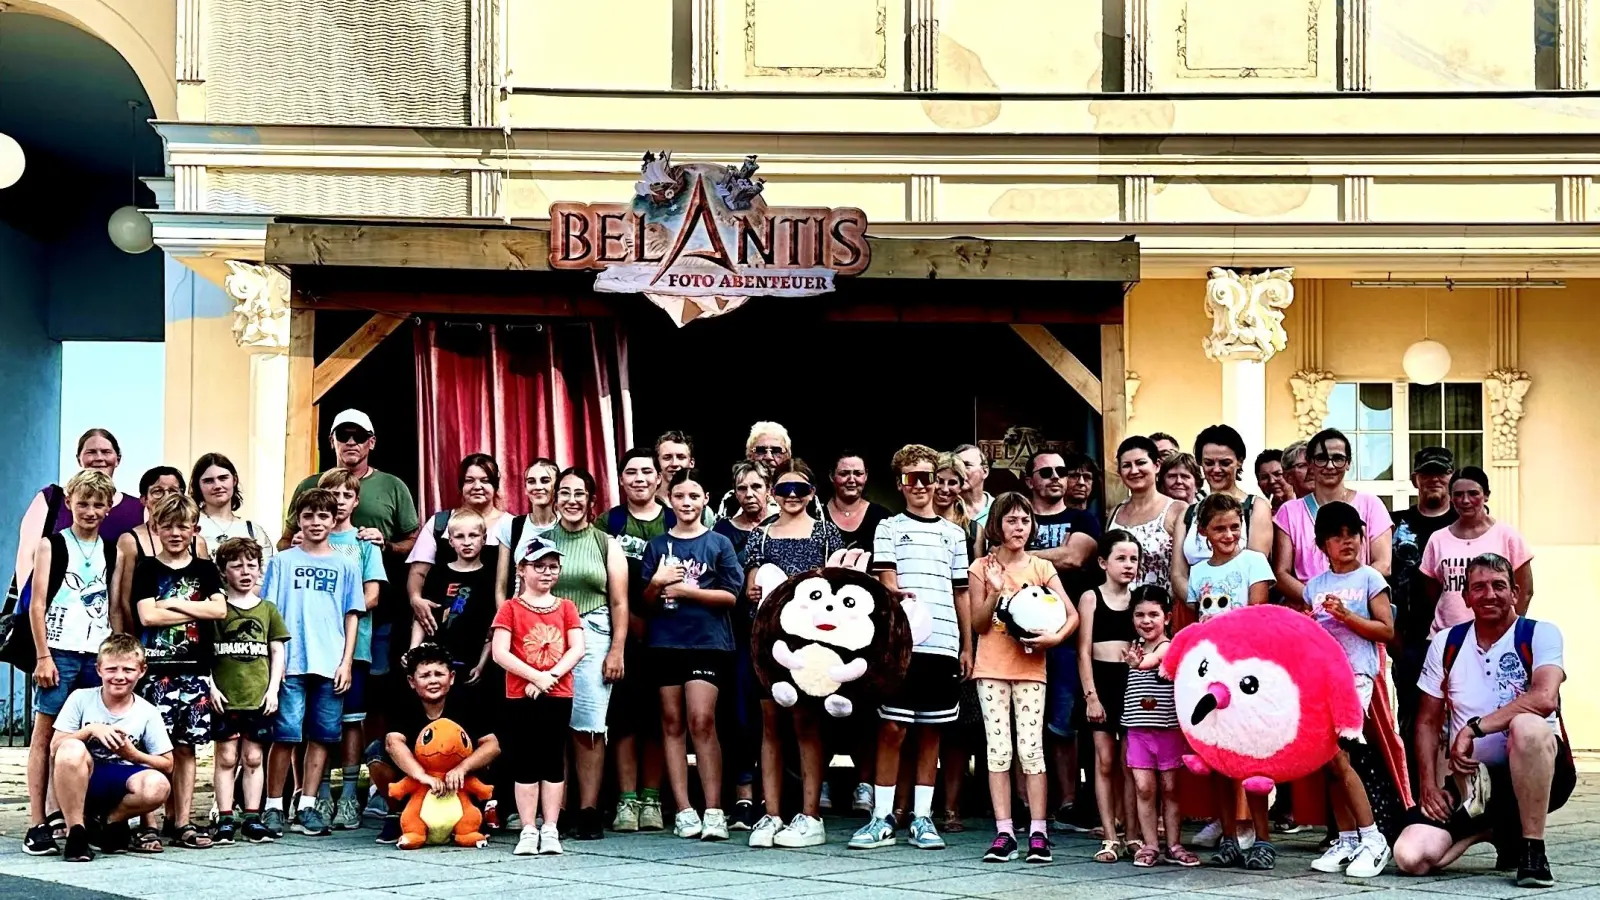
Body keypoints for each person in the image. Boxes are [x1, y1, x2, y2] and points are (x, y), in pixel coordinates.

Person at [1394, 553, 1569, 889]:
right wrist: (1429, 786)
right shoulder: (1447, 642)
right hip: (1472, 786)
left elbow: (1544, 699)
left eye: (1499, 585)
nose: (1489, 594)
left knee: (1527, 725)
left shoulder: (1540, 634)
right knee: (1411, 857)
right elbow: (1428, 722)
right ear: (1466, 597)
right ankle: (1495, 827)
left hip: (1544, 773)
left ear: (1515, 592)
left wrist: (1473, 728)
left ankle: (1532, 850)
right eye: (1479, 587)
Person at [851, 444, 971, 853]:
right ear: (900, 483)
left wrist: (966, 645)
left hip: (943, 645)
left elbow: (961, 595)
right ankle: (881, 818)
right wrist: (894, 596)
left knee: (931, 731)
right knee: (892, 728)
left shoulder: (954, 534)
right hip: (901, 647)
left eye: (926, 477)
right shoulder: (887, 527)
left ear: (937, 480)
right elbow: (886, 579)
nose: (920, 485)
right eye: (910, 478)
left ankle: (922, 817)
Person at [969, 492, 1076, 865]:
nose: (1019, 528)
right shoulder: (982, 566)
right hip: (992, 668)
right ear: (996, 525)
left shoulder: (1040, 568)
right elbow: (979, 623)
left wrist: (1055, 638)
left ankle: (1038, 832)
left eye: (1025, 521)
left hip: (1031, 669)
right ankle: (1003, 831)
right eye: (1012, 521)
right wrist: (996, 589)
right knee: (998, 751)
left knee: (1031, 750)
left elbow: (1071, 614)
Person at [742, 460, 843, 848]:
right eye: (784, 490)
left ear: (812, 493)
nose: (792, 497)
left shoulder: (826, 533)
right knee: (770, 726)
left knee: (806, 725)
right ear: (772, 493)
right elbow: (751, 584)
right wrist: (751, 590)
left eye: (800, 489)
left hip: (811, 644)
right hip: (768, 642)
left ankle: (811, 814)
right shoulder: (761, 536)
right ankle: (771, 815)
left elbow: (838, 586)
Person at [23, 469, 122, 856]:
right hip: (59, 651)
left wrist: (114, 652)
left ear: (109, 507)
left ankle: (70, 815)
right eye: (83, 502)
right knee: (45, 735)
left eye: (99, 504)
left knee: (84, 737)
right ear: (69, 503)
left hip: (94, 653)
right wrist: (43, 654)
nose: (91, 510)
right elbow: (37, 604)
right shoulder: (52, 545)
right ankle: (37, 821)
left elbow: (113, 604)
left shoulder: (111, 548)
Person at [642, 468, 743, 841]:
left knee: (702, 720)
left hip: (707, 642)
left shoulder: (718, 544)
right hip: (665, 643)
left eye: (693, 497)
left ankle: (714, 808)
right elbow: (646, 602)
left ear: (705, 500)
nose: (686, 503)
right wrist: (657, 583)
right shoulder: (657, 547)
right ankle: (684, 809)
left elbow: (731, 596)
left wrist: (686, 591)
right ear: (669, 500)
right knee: (671, 723)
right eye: (680, 496)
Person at [259, 489, 365, 839]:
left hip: (329, 661)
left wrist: (346, 662)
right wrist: (273, 663)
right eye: (308, 516)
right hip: (290, 662)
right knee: (286, 734)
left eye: (323, 516)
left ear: (334, 520)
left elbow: (352, 616)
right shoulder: (281, 562)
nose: (316, 522)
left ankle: (308, 804)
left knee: (322, 736)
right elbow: (270, 614)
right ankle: (274, 805)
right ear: (298, 521)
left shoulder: (347, 564)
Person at [130, 492, 227, 850]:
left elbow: (220, 611)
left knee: (187, 748)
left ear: (194, 529)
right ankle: (149, 821)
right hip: (157, 671)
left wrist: (170, 602)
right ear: (155, 528)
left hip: (195, 670)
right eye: (167, 526)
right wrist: (194, 607)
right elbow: (147, 616)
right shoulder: (147, 569)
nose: (175, 533)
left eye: (182, 526)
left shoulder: (204, 569)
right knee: (153, 746)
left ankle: (182, 820)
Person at [1185, 492, 1276, 868]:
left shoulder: (1254, 561)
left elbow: (1258, 613)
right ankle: (1228, 836)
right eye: (1219, 528)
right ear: (1204, 531)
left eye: (1235, 526)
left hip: (1247, 674)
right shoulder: (1199, 572)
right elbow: (1196, 620)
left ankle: (1262, 838)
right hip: (1213, 675)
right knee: (1219, 760)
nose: (1228, 534)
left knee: (1252, 762)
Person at [1306, 502, 1396, 878]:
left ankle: (1373, 839)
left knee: (1342, 758)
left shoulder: (1371, 579)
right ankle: (1345, 839)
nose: (1347, 542)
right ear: (1322, 544)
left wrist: (1347, 616)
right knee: (1328, 761)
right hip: (1321, 679)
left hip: (1356, 678)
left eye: (1353, 534)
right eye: (1337, 535)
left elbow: (1386, 631)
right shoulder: (1314, 585)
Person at [539, 467, 628, 840]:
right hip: (547, 635)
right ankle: (554, 811)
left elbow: (620, 602)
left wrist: (617, 650)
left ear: (592, 501)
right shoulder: (541, 542)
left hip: (594, 633)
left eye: (580, 494)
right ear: (555, 498)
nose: (572, 500)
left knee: (588, 725)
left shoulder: (606, 543)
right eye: (565, 493)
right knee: (552, 724)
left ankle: (589, 809)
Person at [491, 539, 584, 856]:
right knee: (526, 758)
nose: (546, 573)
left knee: (553, 758)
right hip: (520, 694)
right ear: (522, 569)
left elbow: (577, 648)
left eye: (552, 567)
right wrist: (535, 677)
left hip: (558, 694)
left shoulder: (566, 607)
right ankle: (529, 827)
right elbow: (500, 652)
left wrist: (550, 677)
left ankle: (551, 827)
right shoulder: (511, 608)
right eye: (538, 566)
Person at [1022, 450, 1098, 834]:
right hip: (1018, 640)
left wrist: (1020, 556)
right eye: (1046, 472)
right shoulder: (1019, 515)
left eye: (1061, 472)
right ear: (1029, 480)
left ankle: (1067, 803)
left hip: (1068, 637)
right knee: (1023, 722)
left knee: (1063, 723)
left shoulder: (1082, 517)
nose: (1056, 478)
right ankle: (1025, 805)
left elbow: (1073, 557)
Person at [48, 634, 174, 862]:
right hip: (85, 777)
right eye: (111, 669)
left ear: (142, 671)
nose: (119, 676)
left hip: (122, 781)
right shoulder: (81, 699)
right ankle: (76, 832)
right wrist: (91, 730)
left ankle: (112, 821)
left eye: (128, 670)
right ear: (98, 670)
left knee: (158, 785)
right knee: (70, 749)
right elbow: (55, 748)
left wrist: (132, 754)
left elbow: (167, 763)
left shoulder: (147, 711)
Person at [367, 642, 501, 846]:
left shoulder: (467, 700)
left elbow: (493, 745)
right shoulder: (403, 700)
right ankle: (398, 813)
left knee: (487, 756)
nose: (433, 681)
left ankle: (470, 816)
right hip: (417, 777)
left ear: (452, 677)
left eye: (439, 674)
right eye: (425, 675)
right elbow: (393, 742)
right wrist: (422, 776)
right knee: (375, 753)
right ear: (412, 681)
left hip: (459, 779)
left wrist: (462, 768)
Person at [600, 448, 670, 834]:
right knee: (624, 719)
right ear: (621, 480)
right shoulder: (609, 521)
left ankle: (652, 799)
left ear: (659, 478)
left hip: (668, 634)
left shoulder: (675, 517)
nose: (640, 478)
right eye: (632, 472)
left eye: (647, 471)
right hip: (621, 634)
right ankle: (626, 801)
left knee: (659, 720)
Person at [317, 467, 388, 831]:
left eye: (346, 495)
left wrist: (336, 606)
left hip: (354, 645)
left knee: (351, 720)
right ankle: (319, 793)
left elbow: (373, 594)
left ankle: (348, 794)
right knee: (319, 720)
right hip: (315, 648)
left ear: (356, 500)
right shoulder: (307, 543)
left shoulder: (364, 544)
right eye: (332, 494)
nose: (339, 501)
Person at [207, 537, 289, 845]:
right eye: (236, 565)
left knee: (254, 757)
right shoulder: (217, 610)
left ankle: (253, 817)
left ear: (260, 570)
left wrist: (273, 690)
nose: (245, 571)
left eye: (251, 565)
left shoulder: (267, 609)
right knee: (226, 757)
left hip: (258, 697)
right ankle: (226, 817)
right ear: (223, 571)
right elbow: (206, 652)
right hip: (225, 697)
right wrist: (210, 686)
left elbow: (277, 651)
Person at [11, 429, 143, 614]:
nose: (99, 458)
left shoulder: (136, 508)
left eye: (106, 452)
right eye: (90, 452)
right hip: (54, 612)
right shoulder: (52, 499)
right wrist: (34, 608)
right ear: (79, 459)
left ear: (118, 459)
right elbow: (27, 554)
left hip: (108, 615)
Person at [1391, 447, 1458, 787]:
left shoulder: (1464, 523)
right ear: (1415, 478)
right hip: (1411, 639)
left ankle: (1458, 794)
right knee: (1413, 718)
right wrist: (1394, 639)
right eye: (1427, 473)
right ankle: (1415, 794)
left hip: (1459, 639)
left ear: (1450, 478)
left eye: (1441, 473)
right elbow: (1383, 582)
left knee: (1460, 717)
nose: (1434, 479)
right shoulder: (1397, 524)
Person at [1121, 586, 1199, 868]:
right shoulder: (1134, 646)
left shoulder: (1169, 646)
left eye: (1153, 614)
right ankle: (1150, 844)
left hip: (1167, 730)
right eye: (1139, 614)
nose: (1146, 620)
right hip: (1138, 731)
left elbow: (1155, 660)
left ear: (1167, 618)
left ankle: (1174, 843)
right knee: (1143, 787)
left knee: (1170, 788)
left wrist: (1139, 663)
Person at [1272, 428, 1393, 609]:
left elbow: (1383, 565)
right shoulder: (1290, 512)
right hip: (1308, 611)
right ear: (1310, 464)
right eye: (1321, 458)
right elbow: (1281, 574)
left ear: (1348, 463)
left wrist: (1346, 596)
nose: (1330, 466)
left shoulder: (1371, 505)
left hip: (1360, 609)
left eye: (1338, 458)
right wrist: (1317, 600)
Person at [1079, 530, 1140, 864]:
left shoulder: (1139, 600)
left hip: (1131, 684)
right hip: (1100, 682)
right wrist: (1091, 696)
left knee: (1130, 762)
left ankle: (1132, 833)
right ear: (1103, 562)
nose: (1128, 565)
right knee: (1104, 761)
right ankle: (1109, 835)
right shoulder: (1091, 597)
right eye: (1121, 558)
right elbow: (1083, 652)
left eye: (1133, 559)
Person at [1420, 466, 1534, 637]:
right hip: (1448, 637)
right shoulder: (1438, 539)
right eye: (1458, 494)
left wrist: (1509, 630)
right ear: (1451, 498)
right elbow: (1431, 593)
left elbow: (1524, 590)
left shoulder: (1507, 536)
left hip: (1497, 636)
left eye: (1473, 493)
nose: (1465, 500)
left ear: (1486, 495)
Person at [1171, 425, 1274, 610]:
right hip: (1194, 610)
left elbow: (1255, 570)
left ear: (1240, 462)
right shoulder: (1187, 515)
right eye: (1209, 463)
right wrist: (1205, 605)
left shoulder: (1255, 507)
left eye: (1225, 463)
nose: (1216, 469)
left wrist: (1223, 612)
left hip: (1240, 611)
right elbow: (1178, 574)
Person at [290, 410, 420, 555]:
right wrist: (296, 545)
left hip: (374, 574)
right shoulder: (308, 486)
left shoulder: (393, 486)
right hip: (318, 574)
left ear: (371, 442)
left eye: (359, 436)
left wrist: (385, 545)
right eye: (343, 436)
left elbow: (414, 542)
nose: (351, 442)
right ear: (332, 441)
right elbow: (284, 540)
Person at [931, 451, 981, 828]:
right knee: (915, 722)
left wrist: (968, 643)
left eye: (953, 482)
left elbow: (970, 587)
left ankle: (951, 805)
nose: (946, 489)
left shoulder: (972, 530)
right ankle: (906, 804)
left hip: (957, 628)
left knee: (959, 726)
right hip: (922, 629)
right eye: (940, 481)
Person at [407, 454, 505, 634]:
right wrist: (415, 599)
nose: (477, 486)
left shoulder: (510, 526)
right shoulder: (440, 523)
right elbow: (418, 571)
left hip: (491, 628)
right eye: (470, 480)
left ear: (495, 485)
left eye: (485, 480)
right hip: (441, 626)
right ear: (461, 485)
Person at [112, 467, 198, 633]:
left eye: (173, 491)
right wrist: (132, 638)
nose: (166, 497)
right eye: (158, 491)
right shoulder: (130, 540)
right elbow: (124, 600)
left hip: (191, 640)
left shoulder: (196, 541)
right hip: (145, 636)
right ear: (144, 499)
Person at [412, 510, 498, 673]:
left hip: (471, 661)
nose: (467, 542)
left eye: (473, 536)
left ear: (484, 539)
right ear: (450, 541)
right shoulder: (438, 574)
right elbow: (421, 615)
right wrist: (413, 650)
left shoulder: (490, 578)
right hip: (436, 662)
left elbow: (492, 630)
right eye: (459, 537)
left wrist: (481, 665)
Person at [1108, 437, 1183, 593]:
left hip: (1161, 612)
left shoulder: (1177, 510)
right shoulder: (1114, 513)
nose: (1134, 471)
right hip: (1118, 611)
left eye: (1141, 463)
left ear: (1156, 466)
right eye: (1127, 465)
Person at [491, 458, 561, 611]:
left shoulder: (567, 525)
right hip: (521, 615)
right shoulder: (511, 526)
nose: (538, 487)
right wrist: (505, 622)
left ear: (556, 486)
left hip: (559, 616)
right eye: (531, 481)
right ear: (525, 488)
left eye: (545, 480)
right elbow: (501, 587)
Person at [190, 453, 276, 565]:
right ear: (198, 485)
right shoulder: (189, 527)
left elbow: (265, 575)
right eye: (208, 481)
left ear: (234, 480)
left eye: (223, 478)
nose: (217, 486)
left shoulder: (253, 531)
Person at [716, 422, 797, 519]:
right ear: (749, 456)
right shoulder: (731, 499)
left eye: (776, 451)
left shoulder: (802, 494)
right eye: (760, 450)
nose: (768, 457)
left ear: (787, 457)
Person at [823, 451, 891, 553]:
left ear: (866, 476)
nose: (851, 480)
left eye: (858, 474)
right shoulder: (816, 515)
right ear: (832, 476)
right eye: (844, 473)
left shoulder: (882, 517)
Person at [714, 461, 768, 561]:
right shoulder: (722, 531)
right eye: (742, 488)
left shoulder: (780, 525)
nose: (749, 494)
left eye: (756, 487)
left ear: (768, 490)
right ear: (735, 493)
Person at [954, 444, 995, 528]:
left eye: (967, 465)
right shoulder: (944, 508)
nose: (960, 471)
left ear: (985, 471)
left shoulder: (999, 508)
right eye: (957, 466)